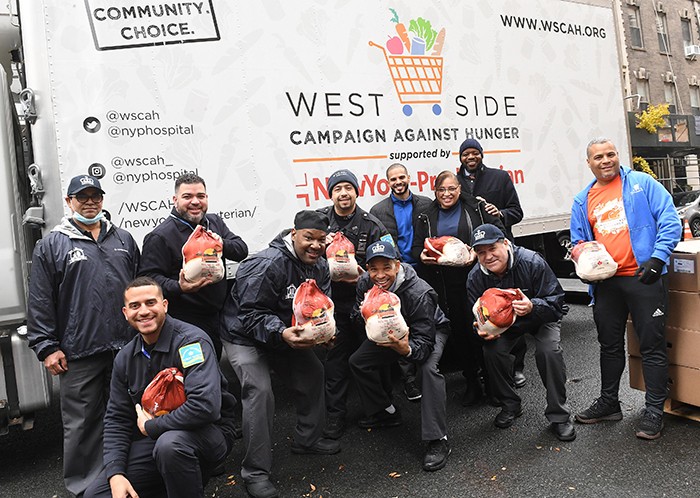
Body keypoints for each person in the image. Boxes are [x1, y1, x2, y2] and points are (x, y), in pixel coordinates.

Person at [26, 175, 140, 497]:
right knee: (82, 423)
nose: (90, 202)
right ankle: (84, 488)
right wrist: (47, 347)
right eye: (82, 197)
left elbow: (140, 289)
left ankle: (128, 476)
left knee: (127, 413)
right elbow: (40, 300)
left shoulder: (124, 239)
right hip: (79, 350)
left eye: (95, 196)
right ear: (68, 201)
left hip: (125, 347)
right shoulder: (52, 244)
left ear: (102, 200)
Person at [220, 210, 341, 498]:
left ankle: (306, 440)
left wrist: (324, 333)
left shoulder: (320, 266)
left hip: (284, 333)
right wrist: (281, 332)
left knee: (313, 373)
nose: (315, 245)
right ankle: (255, 472)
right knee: (260, 391)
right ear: (294, 233)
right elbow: (249, 314)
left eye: (321, 240)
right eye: (308, 238)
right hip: (244, 335)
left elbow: (321, 307)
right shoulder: (267, 264)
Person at [84, 277, 237, 498]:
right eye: (135, 306)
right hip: (157, 441)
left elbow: (205, 407)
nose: (143, 311)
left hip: (208, 434)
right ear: (125, 313)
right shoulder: (125, 358)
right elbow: (116, 419)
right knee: (97, 495)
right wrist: (115, 472)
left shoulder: (190, 343)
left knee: (170, 446)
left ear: (164, 305)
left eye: (150, 303)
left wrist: (151, 427)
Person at [570, 138, 682, 440]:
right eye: (598, 157)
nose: (605, 160)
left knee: (651, 345)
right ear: (589, 163)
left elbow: (670, 220)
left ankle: (654, 410)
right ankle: (609, 403)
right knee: (609, 344)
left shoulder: (642, 184)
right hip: (606, 284)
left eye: (611, 154)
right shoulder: (583, 200)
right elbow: (578, 241)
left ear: (618, 156)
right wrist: (583, 264)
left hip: (644, 277)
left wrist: (657, 259)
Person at [466, 224, 575, 442]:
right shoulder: (475, 277)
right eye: (481, 252)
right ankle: (510, 405)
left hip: (541, 316)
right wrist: (483, 330)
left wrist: (533, 306)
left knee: (548, 351)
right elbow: (478, 316)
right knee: (492, 352)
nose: (488, 256)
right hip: (506, 324)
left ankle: (559, 415)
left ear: (506, 244)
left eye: (492, 248)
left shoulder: (532, 262)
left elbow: (556, 302)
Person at [349, 241, 451, 471]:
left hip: (428, 332)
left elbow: (424, 342)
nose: (380, 275)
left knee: (427, 370)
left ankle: (437, 440)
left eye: (386, 267)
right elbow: (356, 316)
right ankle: (386, 411)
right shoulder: (365, 282)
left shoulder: (419, 292)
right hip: (389, 332)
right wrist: (363, 312)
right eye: (373, 268)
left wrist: (406, 350)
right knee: (358, 362)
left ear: (397, 265)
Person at [411, 171, 505, 407]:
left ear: (459, 189)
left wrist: (478, 252)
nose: (447, 194)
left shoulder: (476, 208)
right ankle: (472, 381)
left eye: (452, 189)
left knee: (483, 327)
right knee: (461, 333)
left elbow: (498, 232)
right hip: (446, 284)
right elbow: (415, 248)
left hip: (477, 280)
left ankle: (493, 382)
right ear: (435, 192)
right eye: (442, 190)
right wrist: (423, 257)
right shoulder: (425, 215)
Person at [138, 173, 248, 358]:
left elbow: (241, 251)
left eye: (201, 196)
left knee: (215, 369)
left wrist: (219, 242)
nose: (195, 202)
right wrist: (179, 287)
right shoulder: (160, 236)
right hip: (186, 321)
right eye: (187, 197)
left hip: (219, 315)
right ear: (175, 200)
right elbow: (149, 281)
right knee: (197, 371)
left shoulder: (214, 223)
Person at [317, 169, 391, 439]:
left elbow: (391, 260)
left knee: (374, 355)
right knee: (335, 360)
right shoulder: (320, 221)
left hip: (365, 302)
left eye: (348, 187)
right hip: (332, 305)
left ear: (357, 192)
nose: (343, 193)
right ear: (331, 194)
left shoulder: (372, 224)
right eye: (337, 189)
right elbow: (299, 246)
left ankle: (382, 410)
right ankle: (335, 415)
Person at [457, 138, 527, 388]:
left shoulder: (500, 177)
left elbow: (517, 212)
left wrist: (502, 214)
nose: (471, 157)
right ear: (461, 157)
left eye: (475, 153)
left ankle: (517, 366)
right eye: (466, 154)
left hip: (501, 253)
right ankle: (490, 367)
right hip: (475, 255)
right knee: (484, 311)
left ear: (481, 155)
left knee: (510, 308)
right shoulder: (457, 183)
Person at [370, 163, 432, 401]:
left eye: (401, 177)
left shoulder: (426, 204)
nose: (398, 182)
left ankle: (427, 365)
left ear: (409, 177)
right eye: (392, 179)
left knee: (422, 322)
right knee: (398, 323)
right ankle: (408, 380)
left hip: (424, 272)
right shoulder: (378, 210)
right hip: (395, 277)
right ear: (387, 183)